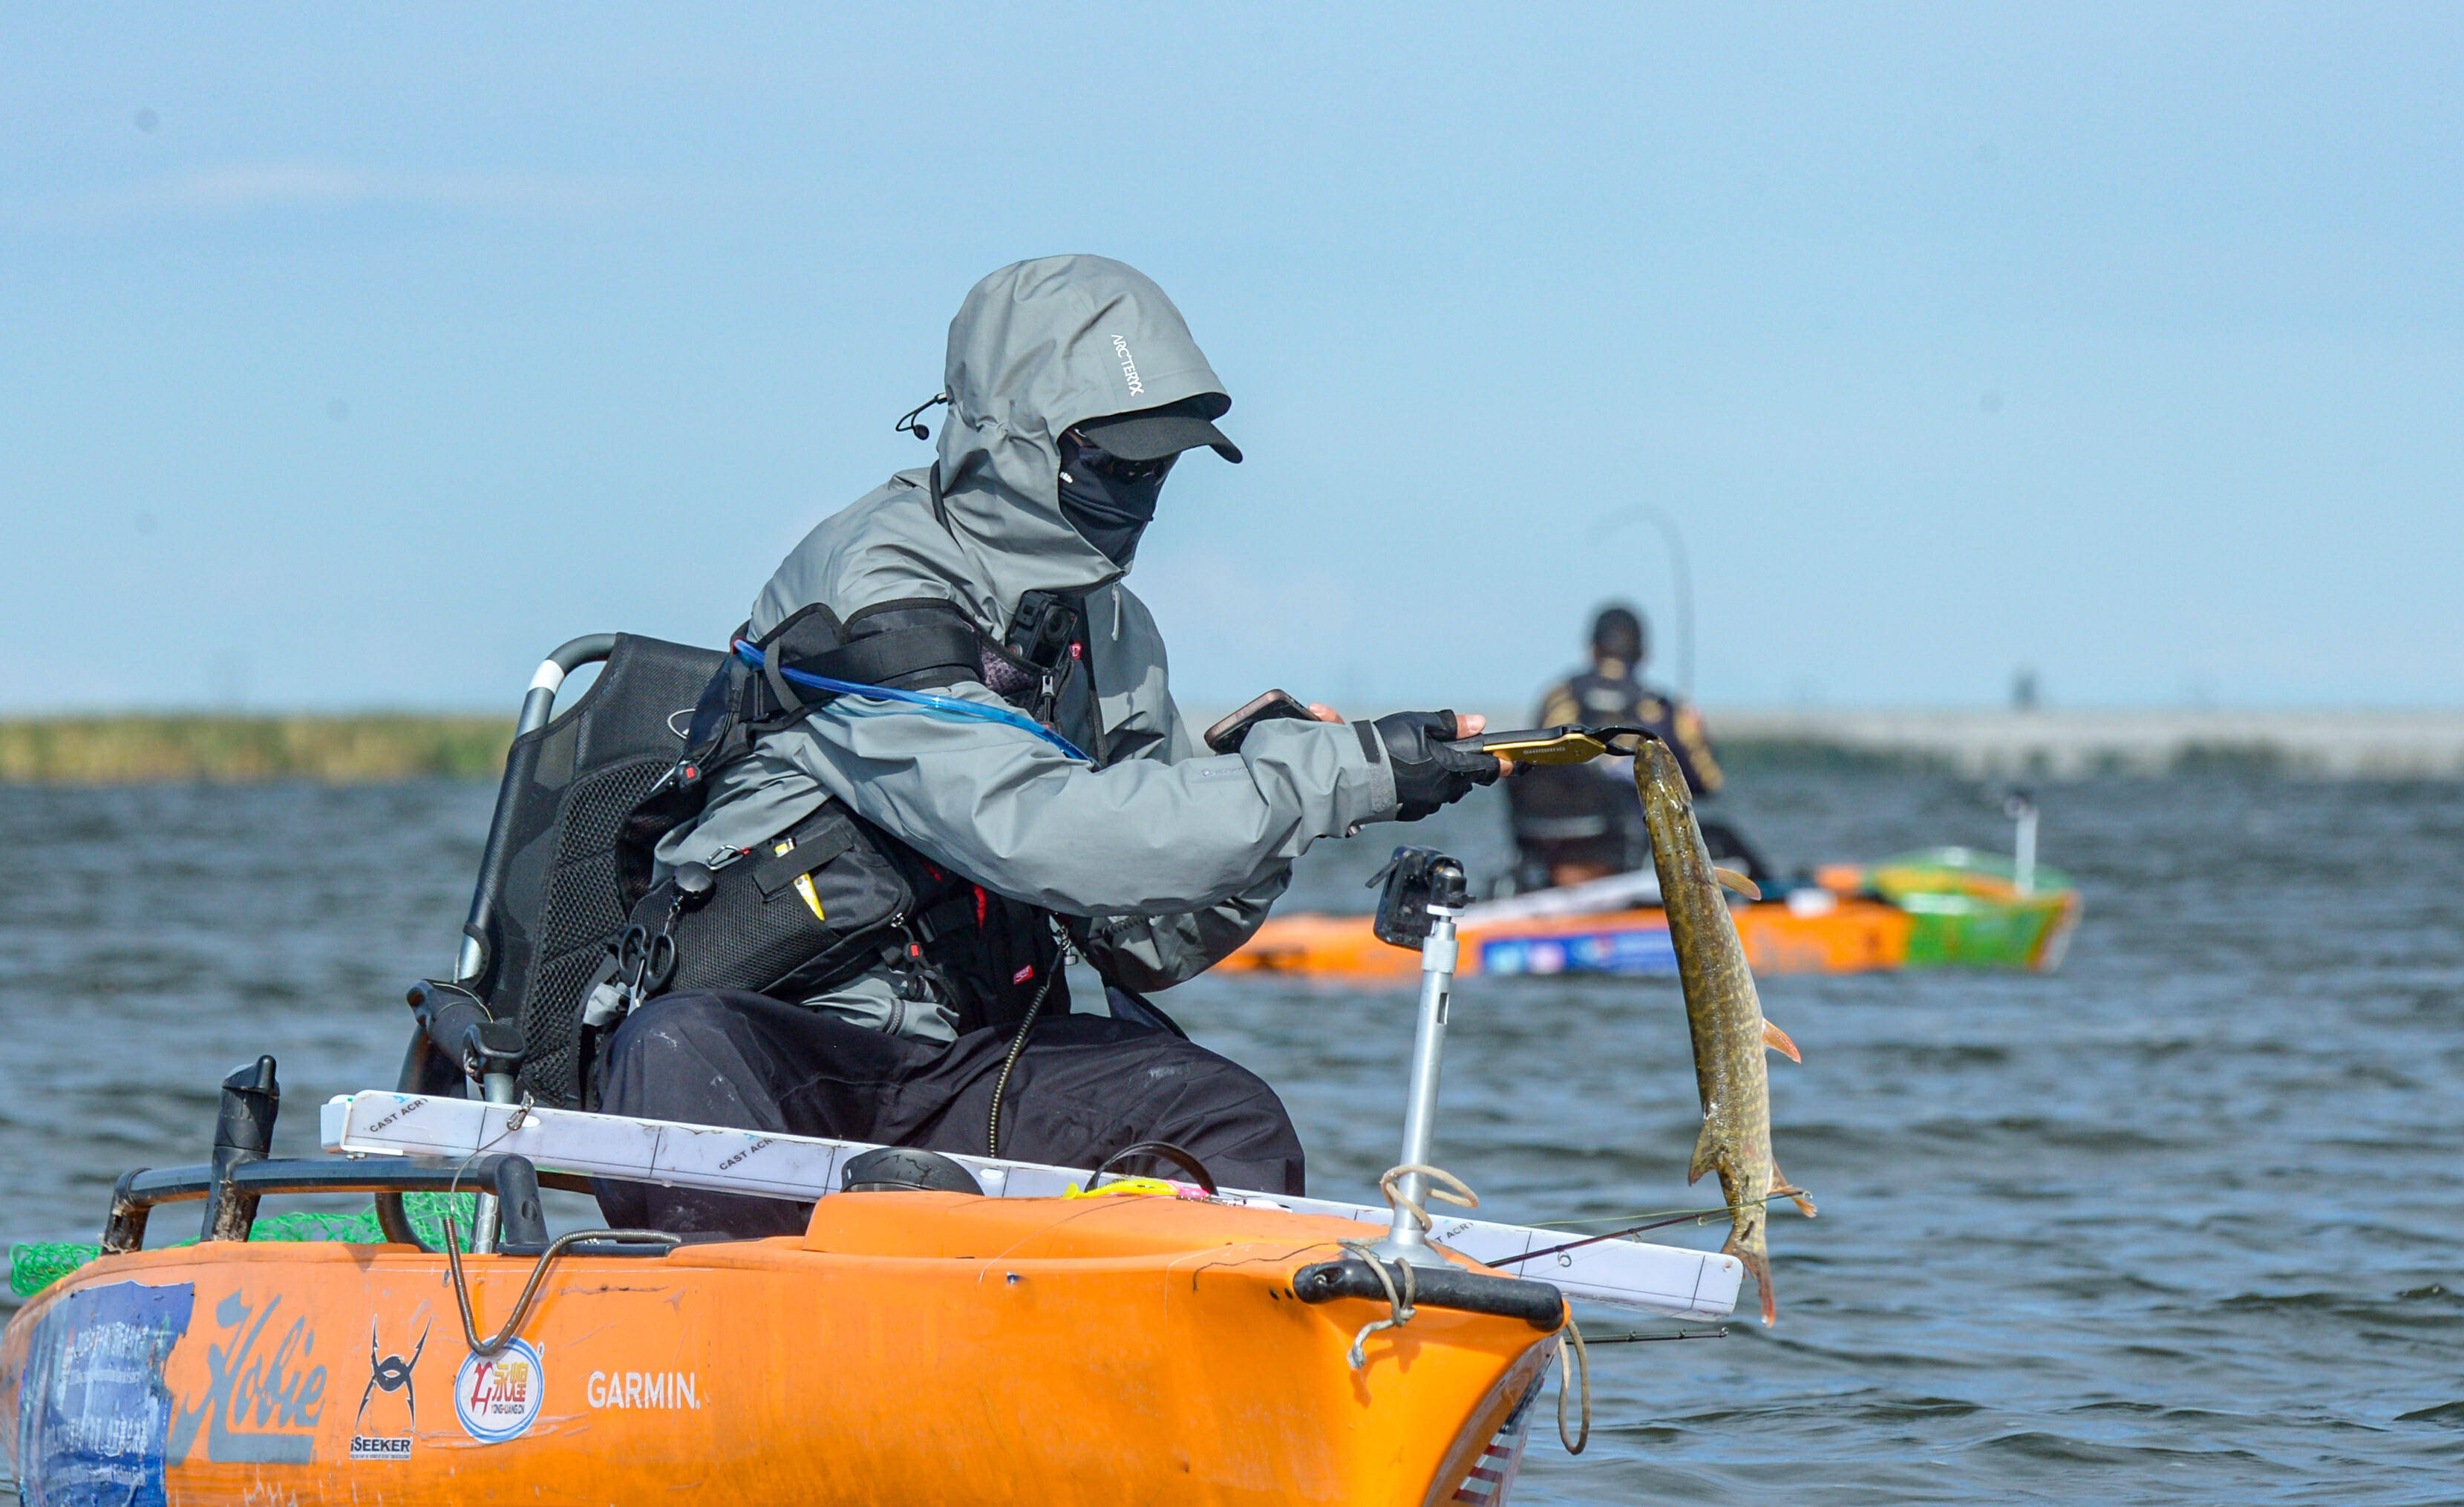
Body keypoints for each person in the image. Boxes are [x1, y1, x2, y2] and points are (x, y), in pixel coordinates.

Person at [588, 255, 1506, 1237]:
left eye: (1157, 467)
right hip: (791, 1038)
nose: (1139, 491)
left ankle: (1145, 1347)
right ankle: (752, 1328)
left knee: (1225, 1115)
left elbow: (1148, 938)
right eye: (1114, 462)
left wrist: (1265, 804)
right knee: (678, 1051)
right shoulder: (872, 582)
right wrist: (1326, 776)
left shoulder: (1108, 628)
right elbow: (1046, 832)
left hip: (969, 1062)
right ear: (1014, 442)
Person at [1505, 603, 1770, 889]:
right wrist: (1698, 736)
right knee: (1721, 837)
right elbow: (1709, 783)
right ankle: (1777, 903)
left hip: (1547, 855)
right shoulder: (1664, 709)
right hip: (1628, 856)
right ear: (1643, 654)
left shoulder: (1555, 699)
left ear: (1593, 649)